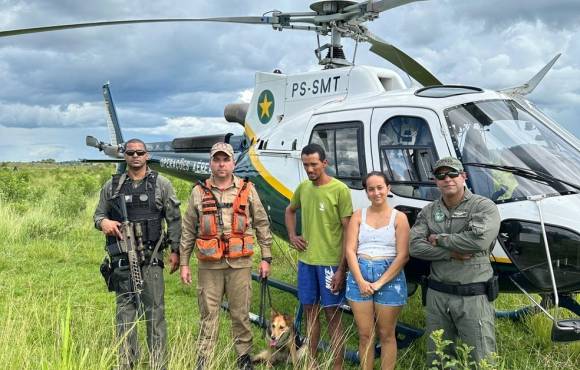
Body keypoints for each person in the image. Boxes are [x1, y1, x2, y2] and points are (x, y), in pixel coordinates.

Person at [179, 142, 272, 370]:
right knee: (208, 314)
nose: (221, 164)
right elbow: (188, 229)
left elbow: (261, 223)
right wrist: (184, 263)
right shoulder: (198, 192)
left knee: (240, 314)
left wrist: (265, 257)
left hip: (240, 264)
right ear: (211, 163)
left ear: (232, 163)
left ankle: (243, 358)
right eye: (217, 160)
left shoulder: (247, 190)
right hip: (209, 266)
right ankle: (204, 359)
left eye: (226, 159)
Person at [94, 138, 182, 369]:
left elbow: (174, 219)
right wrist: (104, 223)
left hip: (151, 259)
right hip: (122, 261)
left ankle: (157, 363)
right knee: (125, 313)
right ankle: (126, 362)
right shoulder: (111, 186)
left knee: (155, 313)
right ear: (124, 155)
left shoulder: (162, 184)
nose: (135, 156)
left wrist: (176, 250)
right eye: (130, 153)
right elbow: (98, 215)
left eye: (139, 152)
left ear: (147, 155)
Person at [409, 157, 501, 366]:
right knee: (439, 358)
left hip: (472, 296)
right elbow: (414, 247)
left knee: (481, 359)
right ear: (436, 181)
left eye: (452, 174)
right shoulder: (429, 211)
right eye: (441, 175)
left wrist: (439, 239)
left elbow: (479, 241)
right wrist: (450, 253)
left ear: (463, 177)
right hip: (438, 296)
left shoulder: (483, 207)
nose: (447, 179)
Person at [285, 143, 353, 370]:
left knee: (333, 316)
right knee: (310, 314)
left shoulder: (340, 190)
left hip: (330, 264)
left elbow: (348, 231)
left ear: (325, 163)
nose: (310, 169)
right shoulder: (303, 188)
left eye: (314, 164)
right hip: (306, 263)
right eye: (306, 165)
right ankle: (312, 364)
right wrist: (293, 235)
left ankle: (337, 366)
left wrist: (342, 269)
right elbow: (290, 210)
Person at [344, 171, 409, 370]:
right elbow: (349, 249)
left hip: (389, 275)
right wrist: (361, 280)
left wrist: (380, 282)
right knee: (365, 334)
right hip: (360, 273)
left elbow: (403, 255)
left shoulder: (399, 218)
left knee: (387, 334)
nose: (376, 192)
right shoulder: (358, 216)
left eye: (380, 187)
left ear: (388, 189)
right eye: (371, 189)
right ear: (366, 192)